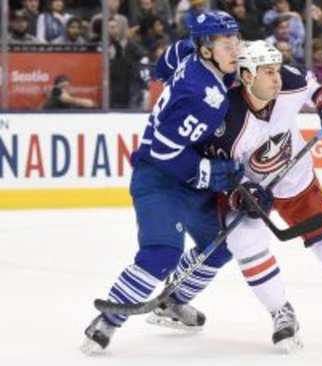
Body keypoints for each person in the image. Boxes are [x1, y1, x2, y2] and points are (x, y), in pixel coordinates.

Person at [146, 41, 322, 350]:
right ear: (247, 76)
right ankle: (281, 312)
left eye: (276, 70)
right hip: (248, 191)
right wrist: (240, 192)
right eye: (267, 73)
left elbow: (318, 88)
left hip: (295, 183)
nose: (276, 78)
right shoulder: (223, 118)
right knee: (245, 243)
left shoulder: (288, 82)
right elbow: (215, 171)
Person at [80, 11, 244, 355]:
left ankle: (172, 302)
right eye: (227, 45)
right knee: (162, 255)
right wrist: (210, 174)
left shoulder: (190, 51)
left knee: (221, 245)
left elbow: (162, 66)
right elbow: (162, 151)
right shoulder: (202, 95)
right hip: (158, 178)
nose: (236, 50)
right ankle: (107, 321)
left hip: (184, 178)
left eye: (236, 42)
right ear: (206, 50)